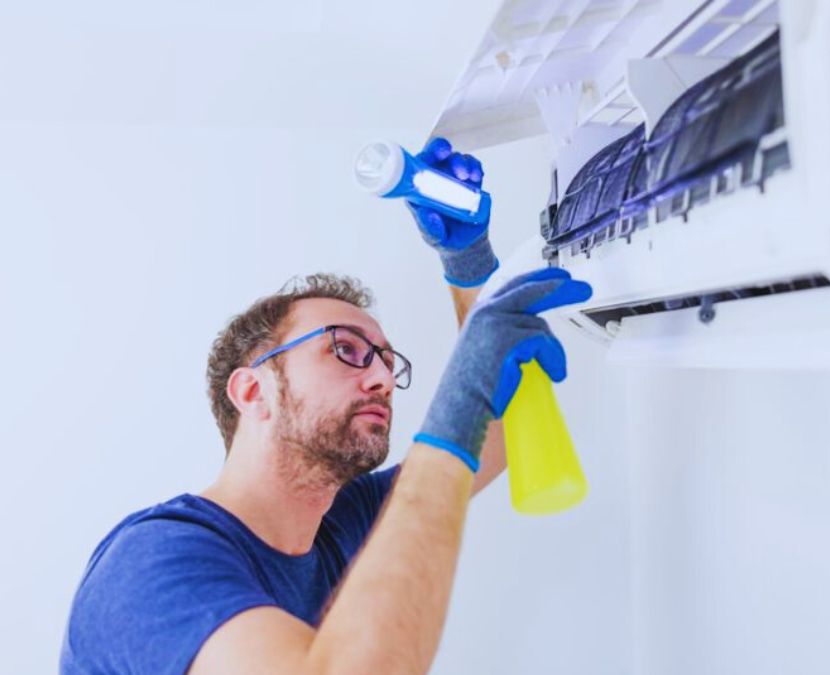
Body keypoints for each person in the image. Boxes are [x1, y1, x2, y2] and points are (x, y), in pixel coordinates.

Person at [59, 138, 592, 674]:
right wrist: (459, 399)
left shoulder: (344, 523)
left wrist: (469, 263)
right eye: (346, 350)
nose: (384, 377)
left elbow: (492, 439)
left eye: (387, 361)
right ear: (252, 392)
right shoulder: (153, 562)